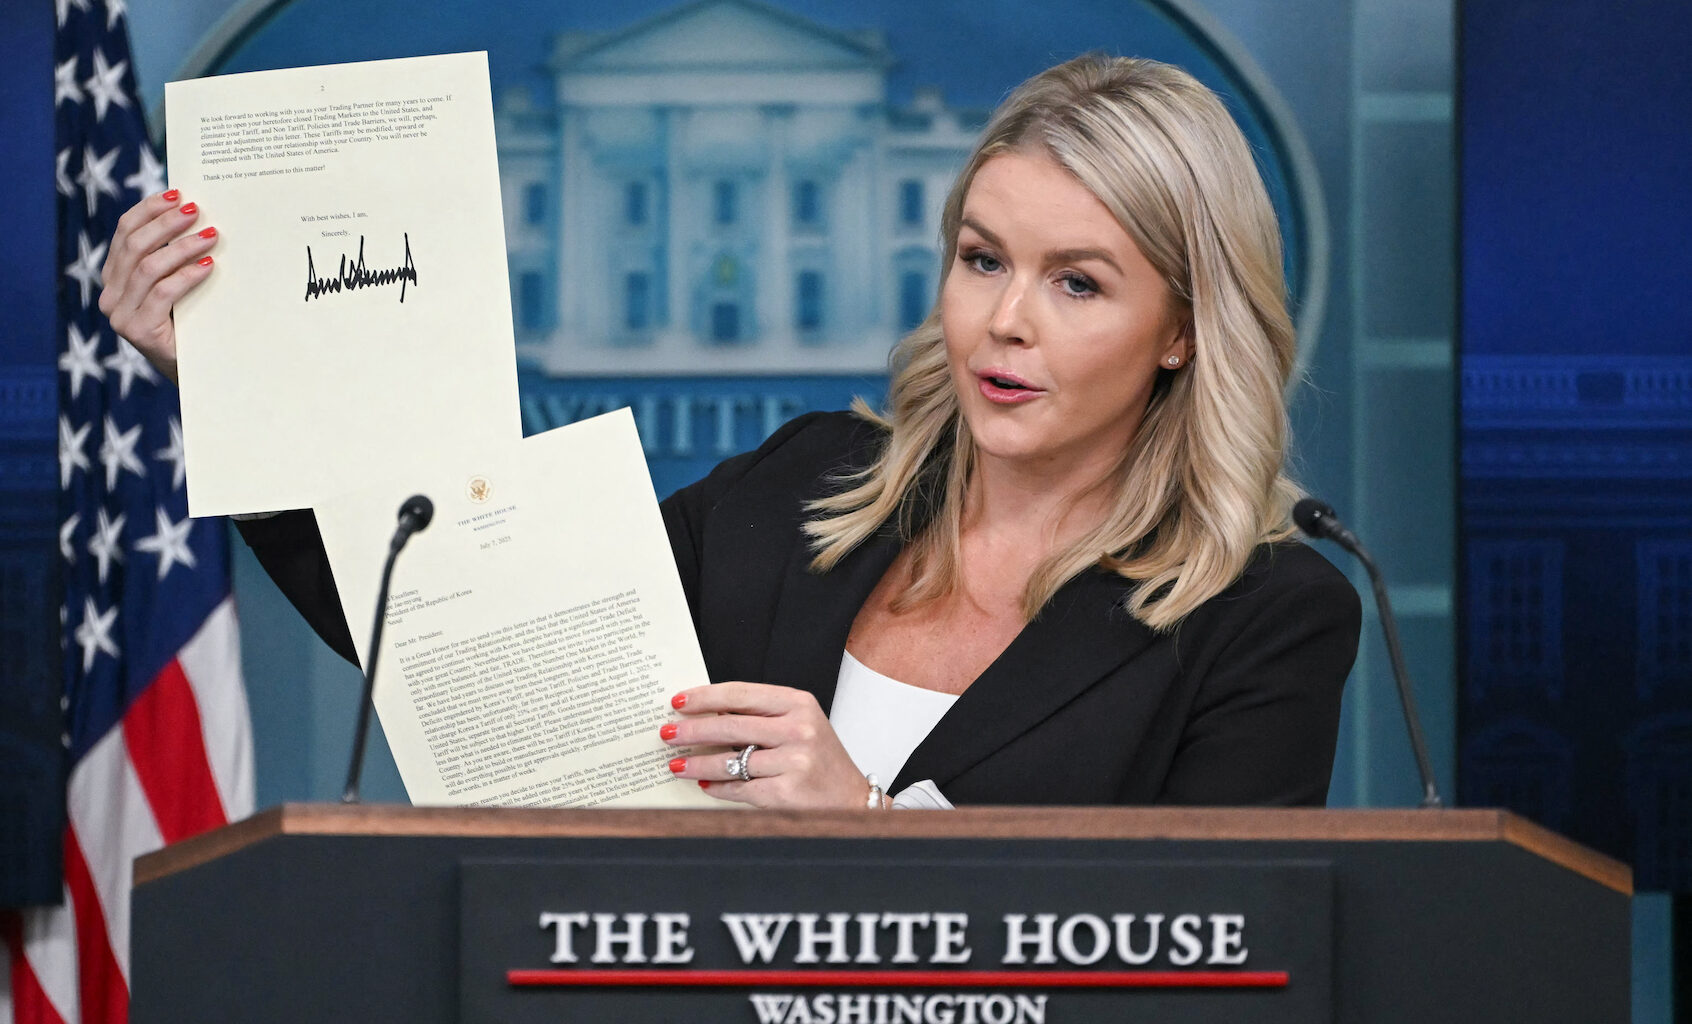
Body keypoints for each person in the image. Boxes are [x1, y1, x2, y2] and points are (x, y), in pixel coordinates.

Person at [101, 55, 1360, 812]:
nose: (1005, 320)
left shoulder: (1268, 612)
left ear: (1185, 328)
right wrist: (236, 368)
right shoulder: (804, 483)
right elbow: (459, 625)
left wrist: (867, 827)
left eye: (1078, 282)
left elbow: (1210, 958)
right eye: (982, 259)